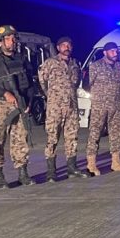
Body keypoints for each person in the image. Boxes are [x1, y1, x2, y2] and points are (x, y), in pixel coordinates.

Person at [0, 25, 38, 188]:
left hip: (20, 104)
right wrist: (5, 93)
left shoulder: (21, 59)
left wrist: (28, 101)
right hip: (0, 105)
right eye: (8, 38)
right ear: (0, 42)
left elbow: (30, 83)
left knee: (21, 138)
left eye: (13, 38)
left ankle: (22, 173)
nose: (11, 41)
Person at [39, 36, 89, 182]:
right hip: (55, 107)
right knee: (52, 138)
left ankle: (72, 168)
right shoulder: (50, 63)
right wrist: (50, 97)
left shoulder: (75, 64)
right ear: (58, 47)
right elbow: (42, 81)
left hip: (71, 107)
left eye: (69, 45)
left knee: (72, 137)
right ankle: (51, 171)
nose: (67, 47)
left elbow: (77, 82)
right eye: (64, 45)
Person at [84, 42, 120, 176]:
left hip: (116, 105)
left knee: (117, 132)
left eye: (116, 51)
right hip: (100, 106)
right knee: (95, 133)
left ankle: (116, 162)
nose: (115, 54)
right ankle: (91, 164)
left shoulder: (119, 67)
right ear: (105, 52)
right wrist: (99, 95)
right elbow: (87, 84)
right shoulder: (95, 66)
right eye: (112, 51)